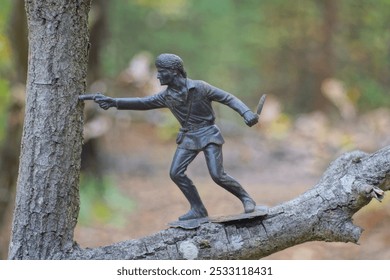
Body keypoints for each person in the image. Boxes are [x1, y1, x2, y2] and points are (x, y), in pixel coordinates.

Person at [87, 53, 259, 221]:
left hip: (208, 134)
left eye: (161, 71)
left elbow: (227, 98)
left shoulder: (200, 87)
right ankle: (198, 209)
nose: (157, 75)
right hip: (188, 137)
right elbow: (142, 103)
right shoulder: (166, 96)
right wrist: (114, 102)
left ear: (174, 72)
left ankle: (246, 198)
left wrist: (246, 113)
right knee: (176, 173)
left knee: (217, 175)